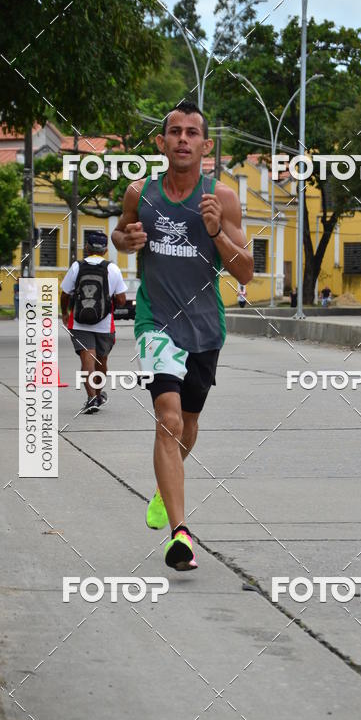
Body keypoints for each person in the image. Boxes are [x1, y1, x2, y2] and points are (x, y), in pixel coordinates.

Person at [112, 100, 253, 572]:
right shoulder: (141, 193)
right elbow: (119, 234)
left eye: (193, 133)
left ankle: (163, 487)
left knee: (188, 424)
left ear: (206, 145)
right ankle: (181, 534)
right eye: (175, 132)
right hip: (156, 322)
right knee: (168, 420)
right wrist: (126, 240)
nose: (183, 140)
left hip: (205, 328)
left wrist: (216, 233)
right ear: (161, 142)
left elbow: (246, 272)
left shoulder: (222, 198)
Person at [60, 230, 127, 414]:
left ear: (87, 248)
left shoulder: (76, 267)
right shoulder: (113, 269)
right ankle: (98, 395)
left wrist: (65, 313)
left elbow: (65, 294)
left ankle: (91, 399)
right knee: (101, 360)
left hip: (79, 321)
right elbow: (121, 300)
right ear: (105, 250)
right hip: (105, 323)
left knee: (87, 358)